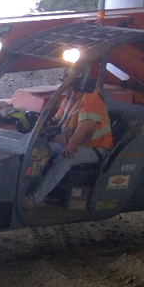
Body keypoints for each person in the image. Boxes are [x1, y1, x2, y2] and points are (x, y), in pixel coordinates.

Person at [25, 73, 113, 208]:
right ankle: (27, 189)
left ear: (78, 84)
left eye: (68, 84)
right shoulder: (68, 99)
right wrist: (40, 123)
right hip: (67, 142)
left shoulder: (91, 97)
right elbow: (57, 122)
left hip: (92, 147)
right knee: (40, 151)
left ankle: (33, 199)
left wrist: (72, 145)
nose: (65, 87)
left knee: (65, 158)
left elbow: (86, 129)